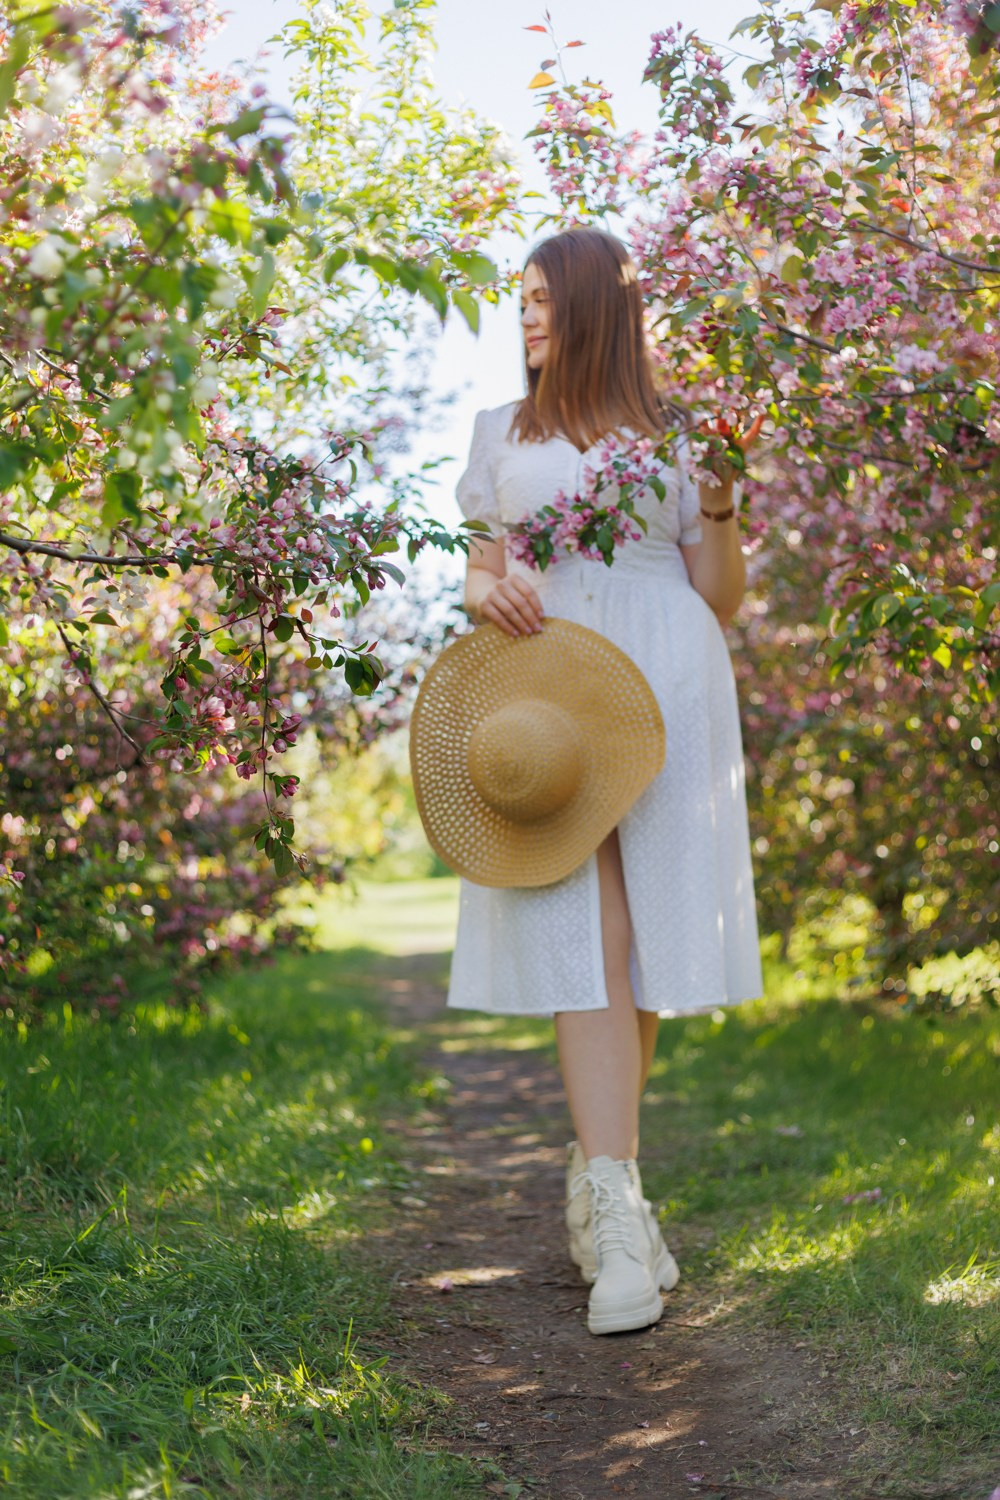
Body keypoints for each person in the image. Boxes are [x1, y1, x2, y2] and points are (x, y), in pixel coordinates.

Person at [446, 227, 763, 1336]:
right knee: (588, 928)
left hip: (669, 672)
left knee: (646, 944)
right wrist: (486, 592)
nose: (525, 317)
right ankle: (618, 1208)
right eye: (518, 301)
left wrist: (720, 495)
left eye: (541, 299)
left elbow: (717, 593)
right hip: (549, 689)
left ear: (591, 305)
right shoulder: (502, 430)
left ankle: (605, 1185)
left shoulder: (674, 430)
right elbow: (483, 565)